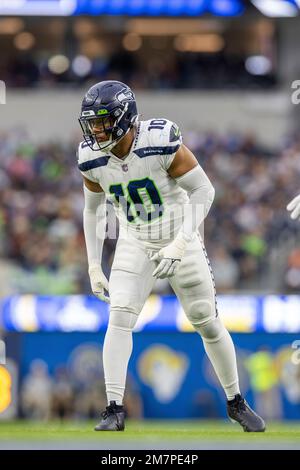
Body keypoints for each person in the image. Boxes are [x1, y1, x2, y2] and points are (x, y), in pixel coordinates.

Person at [77, 80, 265, 432]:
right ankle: (114, 408)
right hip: (134, 240)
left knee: (206, 322)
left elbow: (204, 190)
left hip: (182, 237)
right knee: (119, 317)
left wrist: (180, 243)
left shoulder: (159, 140)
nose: (97, 129)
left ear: (125, 118)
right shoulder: (91, 156)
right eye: (93, 122)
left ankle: (236, 402)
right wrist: (92, 264)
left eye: (104, 121)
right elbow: (93, 210)